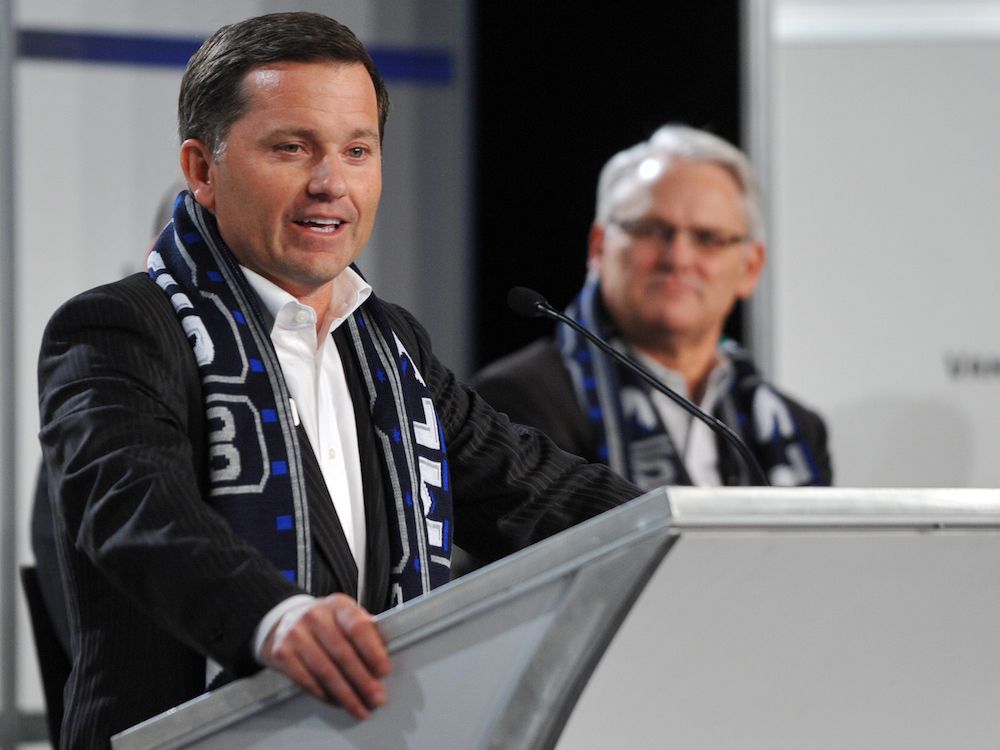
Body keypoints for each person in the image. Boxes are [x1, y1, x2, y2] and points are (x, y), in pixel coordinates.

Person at [36, 12, 641, 748]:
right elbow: (135, 509)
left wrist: (700, 528)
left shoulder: (389, 347)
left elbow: (531, 490)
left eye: (357, 150)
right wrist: (275, 618)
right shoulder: (118, 329)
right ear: (202, 169)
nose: (331, 183)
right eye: (292, 148)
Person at [473, 125, 832, 489]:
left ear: (750, 268)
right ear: (599, 248)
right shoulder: (513, 403)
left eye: (708, 238)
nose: (678, 258)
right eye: (652, 230)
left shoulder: (797, 429)